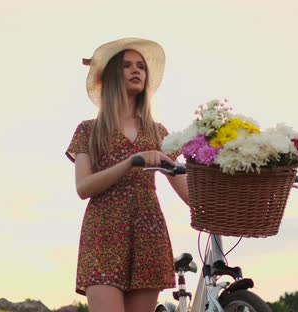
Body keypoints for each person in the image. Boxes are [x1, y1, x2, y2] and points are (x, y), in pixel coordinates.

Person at [65, 38, 189, 312]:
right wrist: (131, 162)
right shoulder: (88, 130)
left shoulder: (159, 132)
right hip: (103, 235)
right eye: (127, 65)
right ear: (111, 75)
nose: (137, 71)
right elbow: (83, 187)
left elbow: (188, 192)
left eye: (141, 67)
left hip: (149, 233)